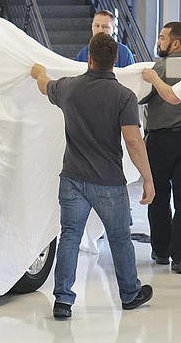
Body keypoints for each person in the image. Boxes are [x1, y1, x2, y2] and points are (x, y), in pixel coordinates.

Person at [31, 32, 154, 319]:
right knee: (120, 238)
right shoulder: (124, 96)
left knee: (70, 236)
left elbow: (43, 84)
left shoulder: (69, 88)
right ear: (115, 62)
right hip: (108, 181)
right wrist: (147, 178)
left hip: (72, 178)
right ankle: (130, 294)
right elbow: (134, 141)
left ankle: (63, 300)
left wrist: (38, 71)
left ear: (89, 59)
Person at [138, 21, 181, 273]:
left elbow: (140, 95)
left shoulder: (158, 68)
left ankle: (160, 251)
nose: (158, 42)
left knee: (157, 195)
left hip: (160, 140)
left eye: (162, 37)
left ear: (176, 42)